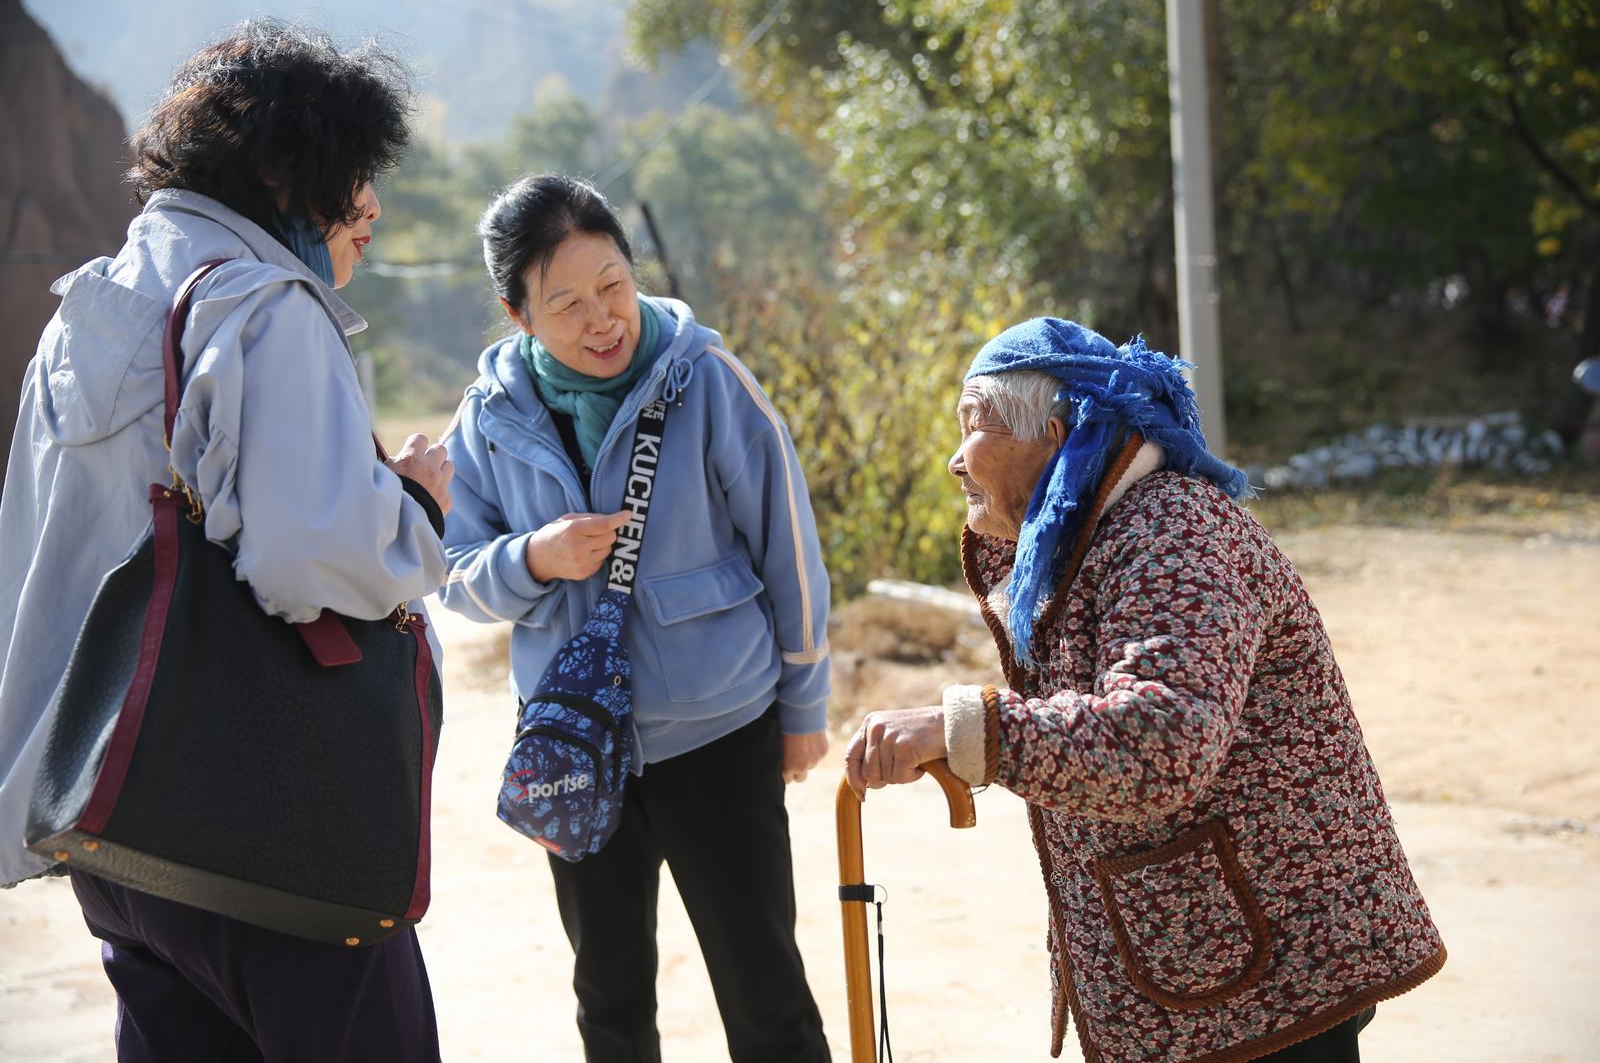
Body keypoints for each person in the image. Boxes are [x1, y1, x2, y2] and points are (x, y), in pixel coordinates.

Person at [0, 21, 452, 1062]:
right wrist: (415, 507)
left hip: (117, 819)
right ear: (282, 172)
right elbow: (309, 559)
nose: (369, 209)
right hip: (266, 831)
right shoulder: (260, 307)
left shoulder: (85, 312)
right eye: (352, 176)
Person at [845, 319, 1446, 1063]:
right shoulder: (1090, 539)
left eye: (975, 426)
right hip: (1210, 958)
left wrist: (968, 730)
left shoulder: (1174, 531)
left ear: (1053, 434)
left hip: (1269, 975)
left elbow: (1160, 739)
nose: (954, 459)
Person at [439, 173, 832, 1063]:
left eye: (612, 284)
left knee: (765, 991)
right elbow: (454, 578)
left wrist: (805, 705)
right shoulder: (490, 420)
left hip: (719, 732)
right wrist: (533, 557)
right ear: (518, 314)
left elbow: (790, 548)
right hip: (575, 749)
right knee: (609, 1001)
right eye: (568, 302)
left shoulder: (707, 379)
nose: (602, 319)